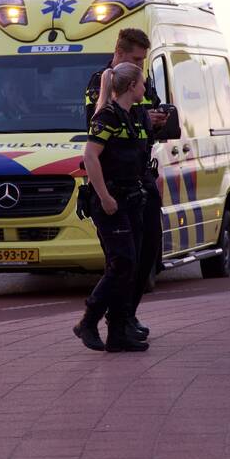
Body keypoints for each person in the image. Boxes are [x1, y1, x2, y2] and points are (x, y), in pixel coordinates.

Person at [84, 28, 174, 342]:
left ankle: (127, 317)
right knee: (124, 258)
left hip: (143, 178)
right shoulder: (100, 82)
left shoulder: (141, 82)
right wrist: (141, 116)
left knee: (147, 253)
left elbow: (150, 120)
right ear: (120, 53)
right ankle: (113, 321)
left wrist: (155, 120)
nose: (141, 66)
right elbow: (96, 122)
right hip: (117, 181)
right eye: (136, 59)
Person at [74, 62, 150, 352]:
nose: (145, 88)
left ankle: (117, 333)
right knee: (123, 263)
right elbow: (90, 157)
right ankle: (88, 321)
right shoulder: (107, 116)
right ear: (131, 86)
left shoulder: (133, 116)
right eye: (142, 83)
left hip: (131, 199)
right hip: (111, 201)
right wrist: (105, 197)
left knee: (128, 267)